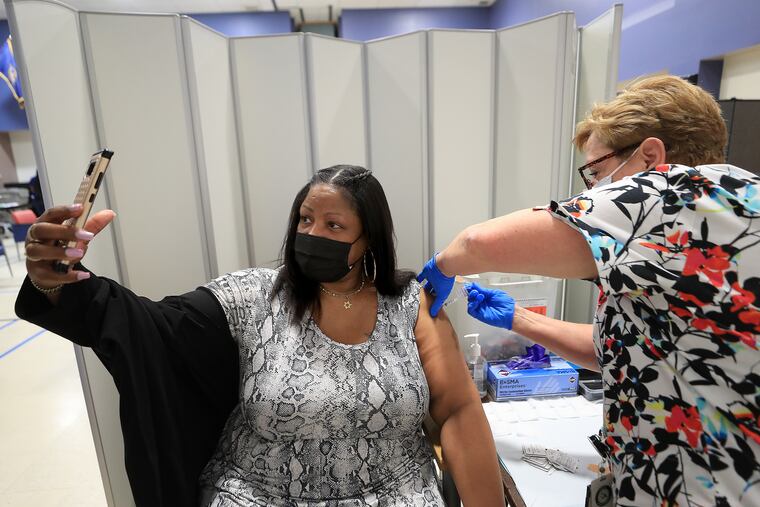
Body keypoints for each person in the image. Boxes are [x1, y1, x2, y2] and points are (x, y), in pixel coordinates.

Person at [16, 165, 505, 506]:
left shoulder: (410, 304)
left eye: (334, 225)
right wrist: (56, 281)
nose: (311, 233)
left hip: (395, 493)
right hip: (260, 494)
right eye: (305, 220)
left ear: (369, 240)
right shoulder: (253, 297)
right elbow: (150, 327)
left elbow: (457, 411)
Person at [417, 76, 760, 505]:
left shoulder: (673, 198)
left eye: (596, 174)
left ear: (651, 157)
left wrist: (443, 264)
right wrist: (518, 319)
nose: (591, 193)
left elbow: (478, 243)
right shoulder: (739, 207)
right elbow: (614, 352)